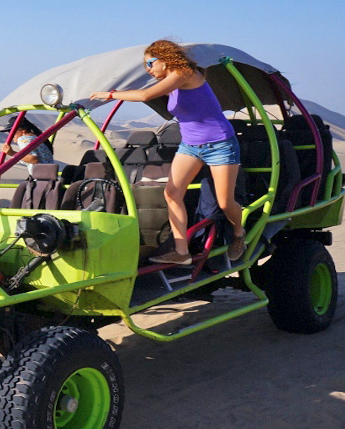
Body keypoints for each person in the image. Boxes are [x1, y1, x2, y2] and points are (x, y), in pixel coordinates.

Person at [90, 39, 246, 265]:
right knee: (172, 194)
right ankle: (181, 252)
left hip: (219, 143)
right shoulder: (168, 80)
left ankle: (239, 233)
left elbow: (145, 96)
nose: (148, 69)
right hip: (190, 146)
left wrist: (110, 94)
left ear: (165, 59)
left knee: (224, 202)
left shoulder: (184, 73)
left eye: (150, 63)